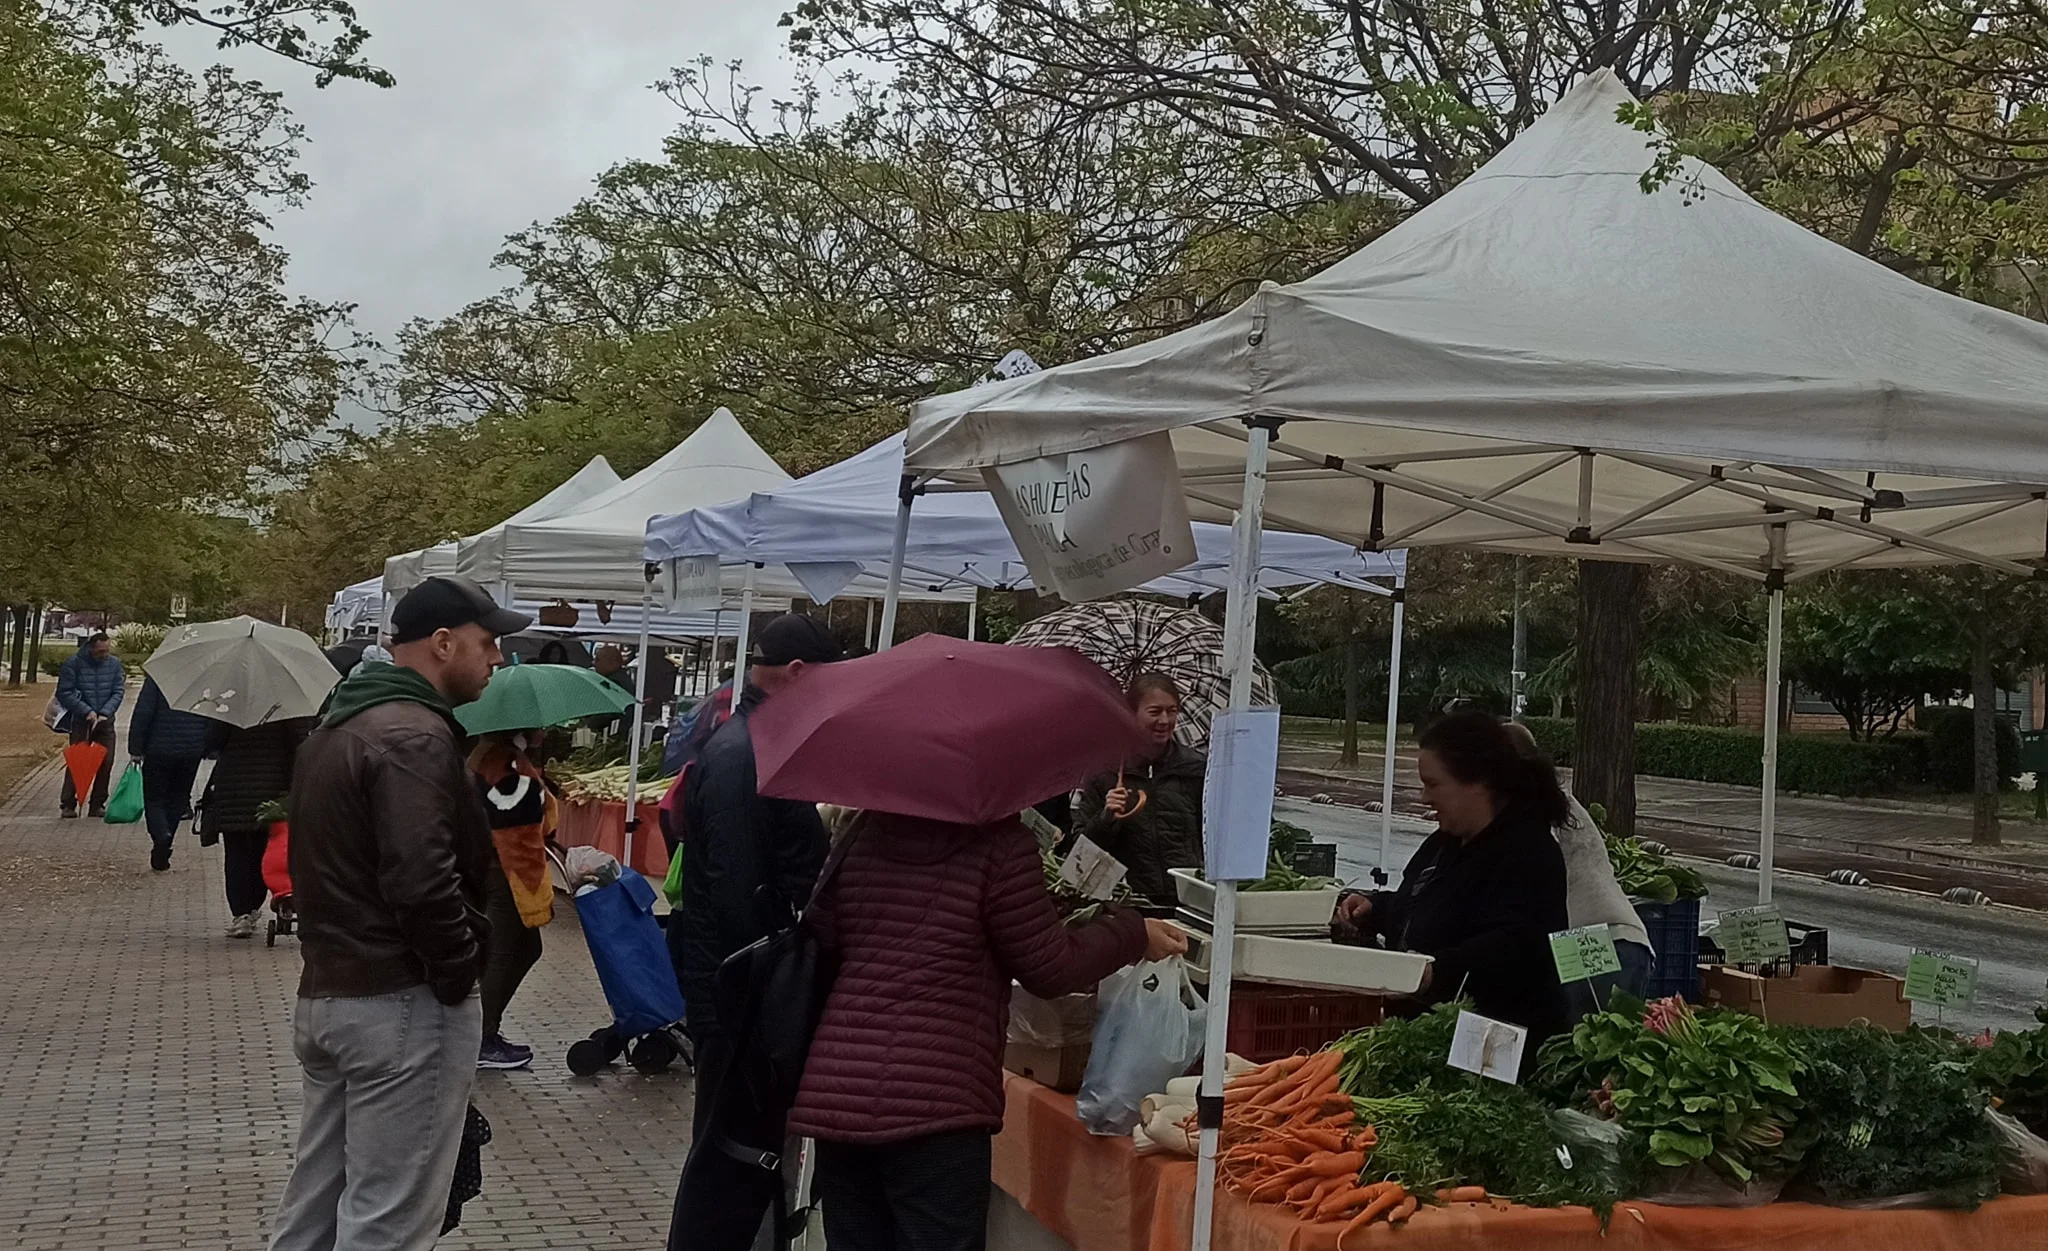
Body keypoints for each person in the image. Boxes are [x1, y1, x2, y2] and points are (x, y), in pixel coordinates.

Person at [268, 575, 529, 1251]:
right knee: (388, 1219)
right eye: (487, 641)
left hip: (334, 992)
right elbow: (421, 879)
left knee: (315, 1209)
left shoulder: (340, 725)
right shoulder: (413, 734)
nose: (497, 657)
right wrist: (457, 972)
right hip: (399, 999)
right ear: (443, 643)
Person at [791, 811, 1186, 1251]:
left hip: (842, 1093)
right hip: (938, 1103)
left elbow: (821, 938)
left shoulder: (863, 832)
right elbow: (1051, 967)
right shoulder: (1001, 844)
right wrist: (1132, 932)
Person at [667, 613, 844, 1251]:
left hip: (742, 991)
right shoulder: (746, 755)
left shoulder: (753, 744)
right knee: (728, 1160)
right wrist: (771, 999)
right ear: (796, 673)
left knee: (737, 1159)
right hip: (741, 998)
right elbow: (740, 892)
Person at [1329, 709, 1571, 1061]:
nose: (1425, 798)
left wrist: (1435, 972)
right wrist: (1376, 909)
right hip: (1429, 1037)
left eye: (1433, 784)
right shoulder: (1444, 843)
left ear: (1478, 783)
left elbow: (1516, 948)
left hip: (1493, 1051)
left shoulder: (1530, 853)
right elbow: (1423, 904)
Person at [1501, 721, 1655, 1012]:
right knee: (1607, 1036)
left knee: (1580, 1036)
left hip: (1582, 944)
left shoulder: (1528, 808)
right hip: (1626, 940)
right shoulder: (1558, 799)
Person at [1069, 673, 1206, 906]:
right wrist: (1106, 819)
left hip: (1187, 899)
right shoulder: (1105, 771)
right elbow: (1081, 855)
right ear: (1130, 714)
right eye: (1155, 712)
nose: (1165, 720)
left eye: (1172, 711)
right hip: (1128, 903)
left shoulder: (1195, 767)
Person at [467, 729, 558, 1071]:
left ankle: (485, 1031)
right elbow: (520, 828)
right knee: (504, 953)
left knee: (525, 949)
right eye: (538, 726)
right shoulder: (505, 762)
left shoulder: (490, 755)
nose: (543, 731)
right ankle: (480, 1038)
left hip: (494, 866)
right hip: (508, 872)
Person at [200, 717, 314, 938]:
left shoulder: (229, 704)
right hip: (274, 786)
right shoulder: (287, 706)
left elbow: (211, 741)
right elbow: (301, 744)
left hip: (233, 787)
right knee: (264, 850)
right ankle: (254, 906)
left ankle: (241, 913)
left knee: (237, 852)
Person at [129, 674, 215, 872]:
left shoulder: (159, 677)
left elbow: (144, 712)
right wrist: (208, 747)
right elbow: (212, 715)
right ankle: (167, 840)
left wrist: (136, 748)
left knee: (154, 798)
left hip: (158, 749)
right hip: (191, 749)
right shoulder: (204, 679)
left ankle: (161, 836)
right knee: (179, 798)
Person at [56, 632, 123, 818]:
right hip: (82, 721)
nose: (104, 655)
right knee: (77, 761)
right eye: (101, 651)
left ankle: (97, 803)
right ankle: (68, 803)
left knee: (106, 761)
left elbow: (118, 691)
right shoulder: (74, 663)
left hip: (104, 720)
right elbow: (64, 692)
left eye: (107, 650)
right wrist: (86, 711)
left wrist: (105, 712)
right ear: (91, 648)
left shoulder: (114, 664)